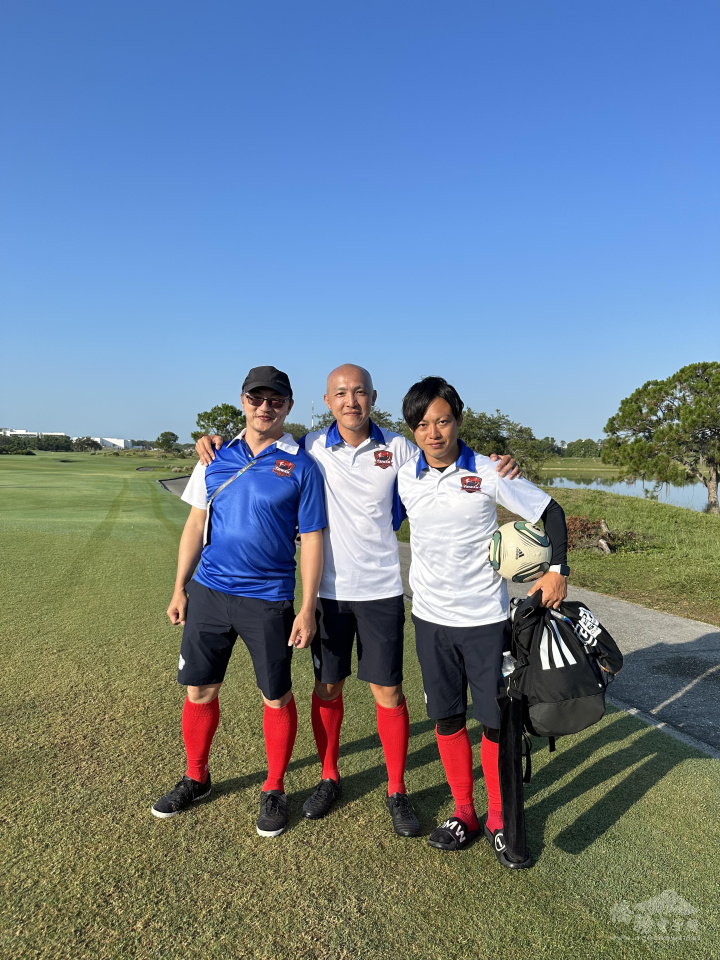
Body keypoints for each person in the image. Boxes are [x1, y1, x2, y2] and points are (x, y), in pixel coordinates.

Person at [196, 364, 520, 837]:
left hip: (381, 590)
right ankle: (329, 776)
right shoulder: (307, 448)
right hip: (325, 593)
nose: (351, 401)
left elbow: (445, 461)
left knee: (388, 692)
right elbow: (260, 440)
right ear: (327, 401)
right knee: (327, 688)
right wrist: (213, 441)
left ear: (373, 398)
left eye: (360, 393)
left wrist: (497, 464)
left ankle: (396, 789)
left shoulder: (399, 446)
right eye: (341, 393)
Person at [396, 376, 569, 865]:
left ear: (458, 421)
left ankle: (498, 818)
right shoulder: (406, 475)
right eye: (423, 424)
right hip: (429, 618)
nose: (434, 433)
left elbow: (550, 512)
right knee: (447, 718)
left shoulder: (492, 472)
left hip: (485, 621)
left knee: (493, 722)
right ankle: (465, 812)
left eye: (443, 421)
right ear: (413, 431)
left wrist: (557, 571)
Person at [152, 366, 326, 839]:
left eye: (275, 400)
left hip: (267, 599)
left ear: (288, 406)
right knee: (199, 690)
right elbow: (195, 525)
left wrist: (306, 606)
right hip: (209, 592)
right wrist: (178, 587)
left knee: (275, 696)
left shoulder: (302, 465)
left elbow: (311, 540)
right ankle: (197, 776)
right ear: (243, 402)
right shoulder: (215, 456)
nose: (265, 407)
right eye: (256, 398)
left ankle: (274, 787)